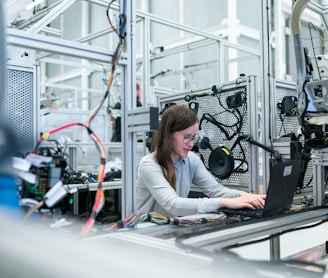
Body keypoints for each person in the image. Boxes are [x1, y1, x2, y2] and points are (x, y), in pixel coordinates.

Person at [137, 105, 266, 217]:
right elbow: (173, 204)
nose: (191, 144)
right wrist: (224, 202)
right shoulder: (149, 165)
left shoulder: (191, 159)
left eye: (193, 138)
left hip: (171, 229)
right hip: (148, 233)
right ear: (168, 134)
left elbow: (216, 190)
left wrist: (245, 196)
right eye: (186, 137)